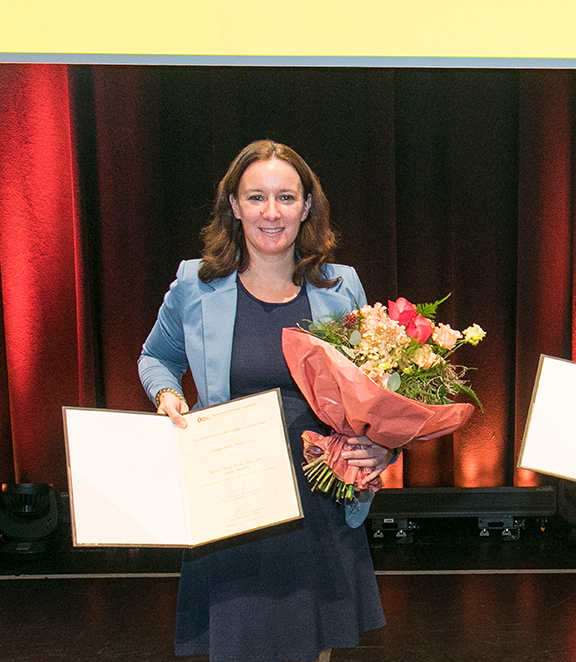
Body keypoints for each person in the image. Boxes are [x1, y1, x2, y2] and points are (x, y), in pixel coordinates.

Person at [139, 140, 393, 662]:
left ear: (306, 207)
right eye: (256, 197)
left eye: (285, 197)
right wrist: (168, 397)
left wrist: (381, 448)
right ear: (234, 205)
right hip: (233, 503)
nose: (271, 213)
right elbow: (156, 358)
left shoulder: (341, 287)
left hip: (318, 501)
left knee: (311, 651)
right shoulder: (195, 284)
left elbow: (378, 394)